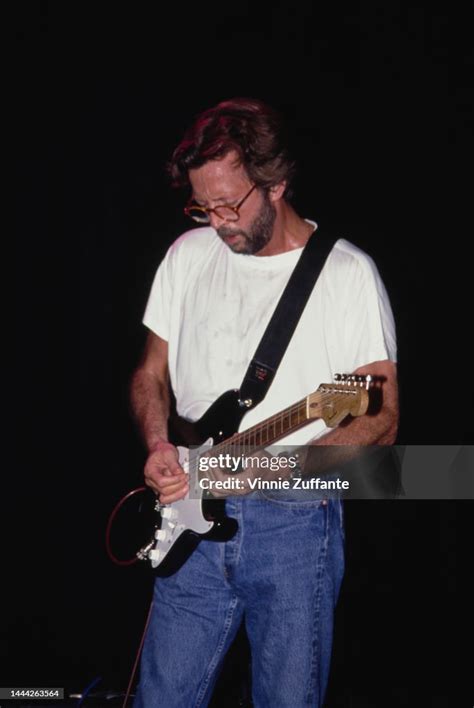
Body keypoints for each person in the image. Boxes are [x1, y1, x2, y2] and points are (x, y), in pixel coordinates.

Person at [130, 97, 398, 708]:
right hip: (189, 516)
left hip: (294, 525)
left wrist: (267, 468)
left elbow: (379, 417)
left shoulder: (347, 274)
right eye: (204, 204)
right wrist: (157, 444)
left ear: (276, 183)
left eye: (230, 203)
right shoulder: (187, 255)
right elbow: (150, 373)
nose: (218, 221)